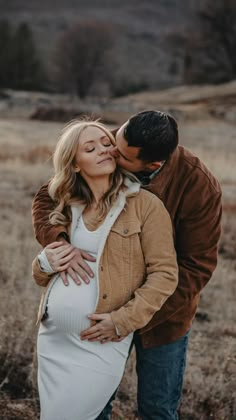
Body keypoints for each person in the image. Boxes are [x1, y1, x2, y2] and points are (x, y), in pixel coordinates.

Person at [32, 111, 222, 420]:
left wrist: (128, 316)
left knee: (156, 408)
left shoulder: (197, 186)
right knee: (96, 407)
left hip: (163, 318)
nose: (109, 152)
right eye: (111, 141)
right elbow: (49, 194)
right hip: (89, 323)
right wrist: (59, 243)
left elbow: (195, 267)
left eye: (119, 154)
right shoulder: (114, 143)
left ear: (152, 166)